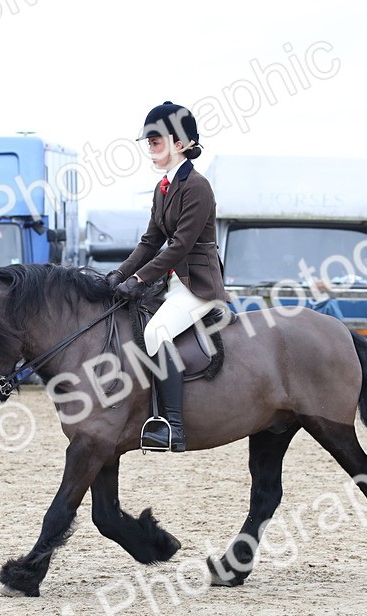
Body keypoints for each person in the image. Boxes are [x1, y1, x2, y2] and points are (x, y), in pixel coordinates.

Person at [107, 101, 227, 452]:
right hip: (172, 284)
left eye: (156, 140)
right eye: (149, 142)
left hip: (199, 286)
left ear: (180, 144)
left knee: (157, 332)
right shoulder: (163, 188)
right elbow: (150, 242)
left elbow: (178, 246)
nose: (150, 148)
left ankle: (171, 425)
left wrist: (139, 281)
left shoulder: (197, 187)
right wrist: (117, 275)